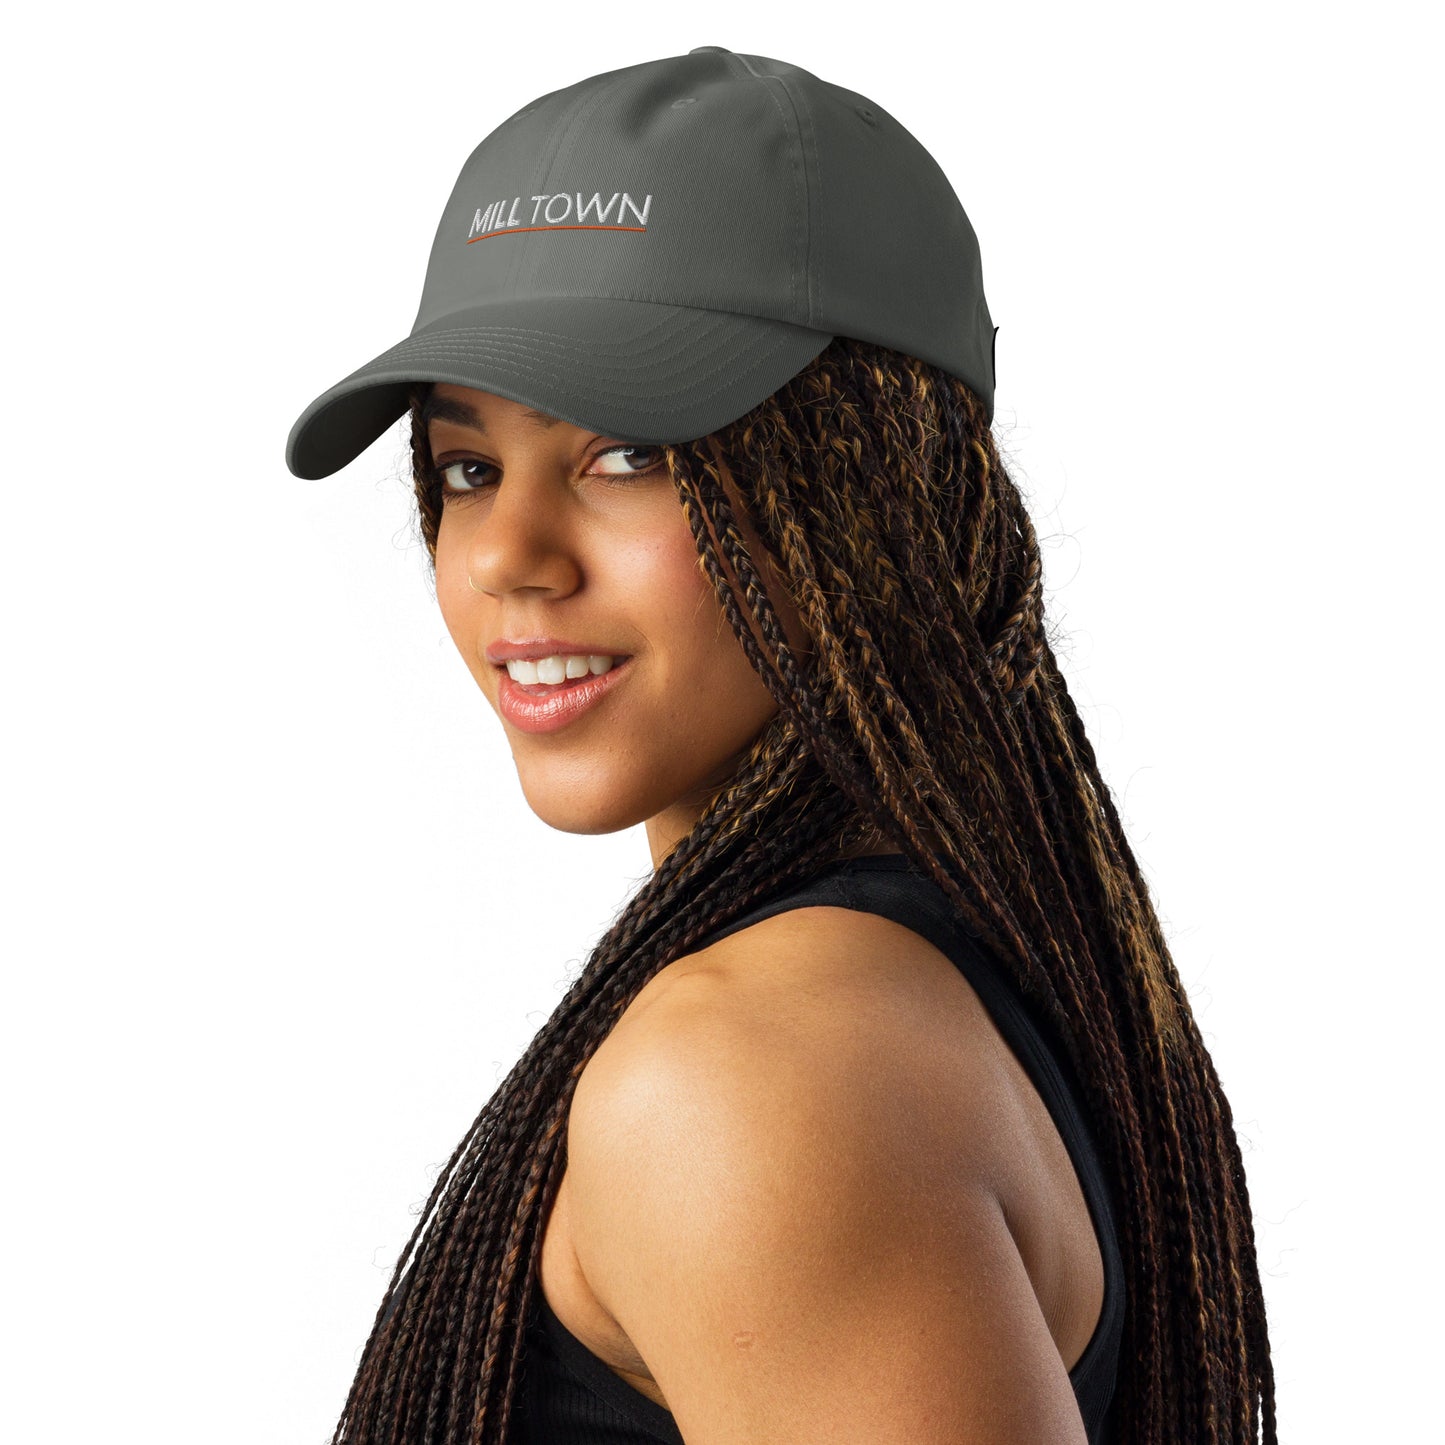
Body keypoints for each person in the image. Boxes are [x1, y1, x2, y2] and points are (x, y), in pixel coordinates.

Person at [286, 46, 1275, 1445]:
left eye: (630, 453)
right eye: (468, 468)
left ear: (875, 488)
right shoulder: (929, 987)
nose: (506, 554)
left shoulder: (749, 1077)